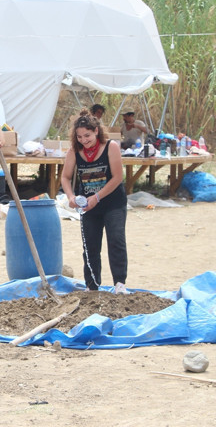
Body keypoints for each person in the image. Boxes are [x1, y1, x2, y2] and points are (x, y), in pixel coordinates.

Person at [61, 109, 128, 294]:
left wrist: (97, 197)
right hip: (88, 206)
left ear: (96, 131)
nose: (84, 140)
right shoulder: (75, 151)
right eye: (80, 136)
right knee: (90, 245)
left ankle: (119, 284)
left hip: (113, 202)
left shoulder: (110, 147)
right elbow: (65, 178)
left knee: (116, 240)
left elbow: (117, 177)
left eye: (87, 135)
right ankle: (92, 286)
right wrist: (71, 197)